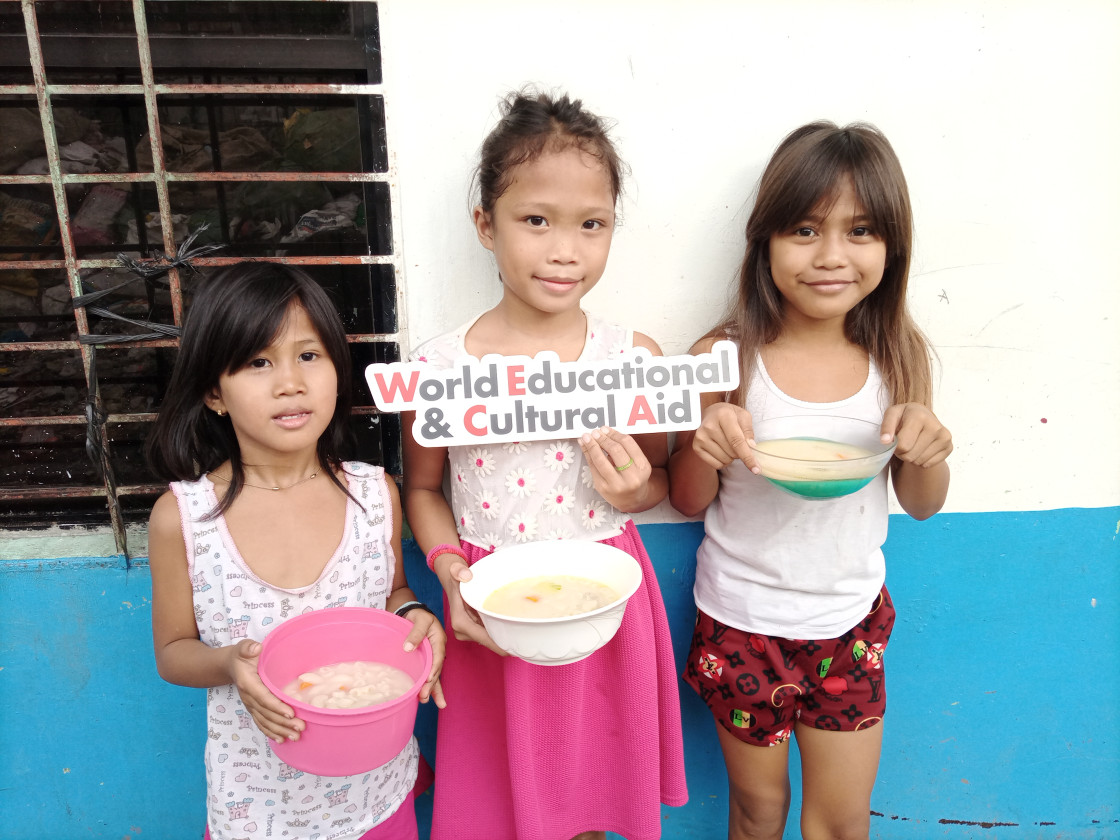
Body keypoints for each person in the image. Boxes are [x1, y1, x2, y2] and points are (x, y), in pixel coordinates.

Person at [403, 90, 688, 840]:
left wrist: (638, 490)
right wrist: (449, 574)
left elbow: (656, 483)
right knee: (504, 808)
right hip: (487, 609)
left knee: (591, 799)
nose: (566, 250)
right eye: (536, 220)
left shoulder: (633, 359)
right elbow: (423, 489)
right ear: (485, 226)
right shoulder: (438, 369)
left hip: (605, 604)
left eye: (592, 224)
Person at [668, 121, 952, 840]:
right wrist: (706, 444)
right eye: (803, 229)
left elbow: (921, 506)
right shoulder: (722, 356)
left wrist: (929, 450)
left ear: (892, 246)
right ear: (764, 241)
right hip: (739, 622)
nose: (831, 256)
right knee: (758, 811)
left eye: (860, 231)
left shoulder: (898, 357)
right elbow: (687, 499)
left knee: (841, 819)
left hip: (848, 626)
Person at [146, 262, 446, 840]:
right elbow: (173, 653)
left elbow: (392, 593)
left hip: (377, 792)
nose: (290, 382)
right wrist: (229, 664)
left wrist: (414, 615)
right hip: (258, 808)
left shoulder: (374, 494)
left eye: (309, 355)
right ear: (214, 392)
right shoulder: (183, 519)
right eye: (259, 363)